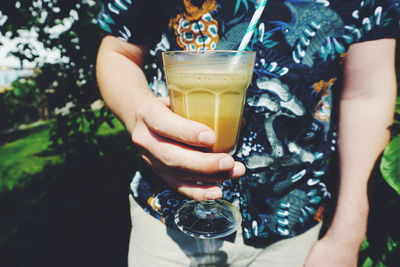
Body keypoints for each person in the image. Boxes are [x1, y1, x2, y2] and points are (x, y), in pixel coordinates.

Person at [96, 0, 399, 266]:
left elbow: (368, 94)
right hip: (167, 213)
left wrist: (347, 235)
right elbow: (119, 51)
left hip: (294, 222)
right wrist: (139, 113)